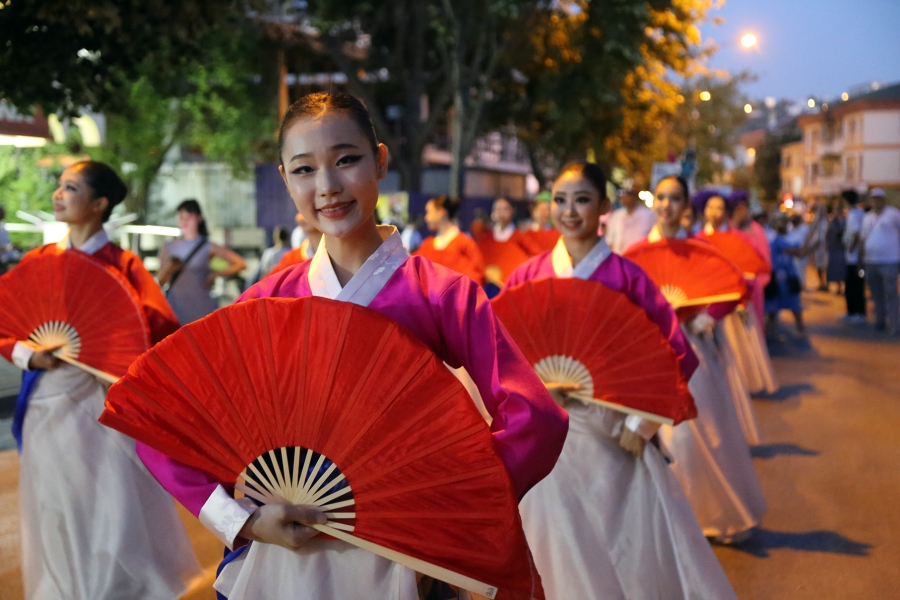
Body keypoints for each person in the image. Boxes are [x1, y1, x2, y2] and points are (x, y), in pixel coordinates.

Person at [134, 91, 568, 600]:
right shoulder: (266, 300)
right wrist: (243, 521)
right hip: (285, 555)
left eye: (346, 160)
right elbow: (159, 420)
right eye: (304, 170)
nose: (328, 186)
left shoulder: (440, 293)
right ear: (284, 179)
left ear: (381, 160)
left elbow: (536, 417)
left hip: (403, 555)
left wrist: (449, 509)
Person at [506, 163, 737, 600]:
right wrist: (534, 392)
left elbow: (674, 355)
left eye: (582, 199)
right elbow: (503, 353)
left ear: (605, 208)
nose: (569, 211)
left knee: (622, 545)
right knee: (554, 545)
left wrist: (643, 424)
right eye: (559, 200)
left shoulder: (627, 277)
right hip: (550, 437)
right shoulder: (527, 276)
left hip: (617, 433)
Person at [0, 161, 200, 599]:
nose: (58, 194)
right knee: (56, 503)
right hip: (46, 402)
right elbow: (5, 322)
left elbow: (160, 331)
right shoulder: (39, 261)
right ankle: (64, 588)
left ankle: (113, 588)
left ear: (99, 203)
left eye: (69, 187)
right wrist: (28, 354)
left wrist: (124, 371)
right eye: (59, 186)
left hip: (104, 402)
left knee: (113, 500)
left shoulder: (124, 265)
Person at [647, 175, 767, 544]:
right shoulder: (636, 252)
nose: (666, 205)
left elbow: (737, 286)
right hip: (649, 353)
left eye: (675, 198)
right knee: (658, 438)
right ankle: (665, 518)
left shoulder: (699, 248)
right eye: (661, 197)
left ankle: (708, 513)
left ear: (686, 207)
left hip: (691, 352)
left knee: (699, 436)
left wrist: (706, 317)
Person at [157, 199, 246, 324]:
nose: (184, 220)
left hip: (201, 308)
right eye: (181, 217)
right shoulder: (169, 247)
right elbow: (160, 281)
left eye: (189, 216)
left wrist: (215, 275)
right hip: (175, 309)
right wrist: (169, 268)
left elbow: (240, 263)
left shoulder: (207, 246)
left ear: (199, 218)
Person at [414, 195, 485, 284]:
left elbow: (477, 277)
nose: (426, 218)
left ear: (441, 212)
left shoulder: (465, 244)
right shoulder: (427, 245)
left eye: (429, 212)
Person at [861, 188, 900, 334]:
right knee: (876, 293)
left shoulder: (893, 214)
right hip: (871, 261)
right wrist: (861, 256)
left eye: (878, 199)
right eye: (873, 199)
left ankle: (894, 323)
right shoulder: (867, 218)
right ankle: (880, 320)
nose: (876, 202)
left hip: (889, 260)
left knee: (891, 293)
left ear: (883, 200)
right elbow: (863, 238)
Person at [765, 212, 811, 334]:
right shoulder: (773, 238)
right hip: (777, 278)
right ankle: (768, 336)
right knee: (773, 310)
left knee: (794, 305)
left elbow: (801, 251)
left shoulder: (788, 236)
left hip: (788, 277)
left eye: (785, 221)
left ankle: (800, 329)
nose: (783, 223)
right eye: (781, 221)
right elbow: (799, 252)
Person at [605, 178, 656, 254]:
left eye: (626, 193)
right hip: (619, 259)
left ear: (635, 196)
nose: (623, 196)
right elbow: (610, 241)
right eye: (622, 193)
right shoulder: (616, 216)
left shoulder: (648, 215)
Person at [841, 190, 867, 323]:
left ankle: (856, 313)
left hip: (854, 258)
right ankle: (854, 312)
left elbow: (857, 233)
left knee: (853, 285)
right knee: (856, 284)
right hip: (859, 257)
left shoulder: (853, 215)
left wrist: (851, 247)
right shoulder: (860, 213)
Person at [825, 203, 847, 294]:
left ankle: (843, 286)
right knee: (836, 267)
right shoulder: (832, 221)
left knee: (843, 267)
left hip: (842, 247)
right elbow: (828, 233)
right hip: (834, 246)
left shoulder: (845, 221)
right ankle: (838, 287)